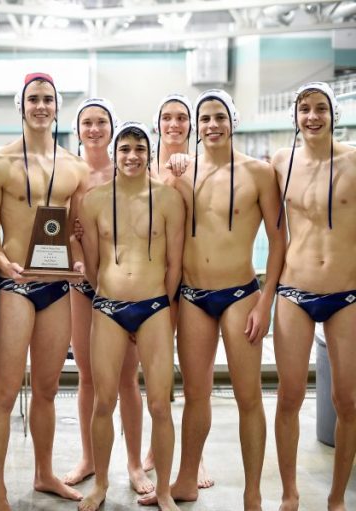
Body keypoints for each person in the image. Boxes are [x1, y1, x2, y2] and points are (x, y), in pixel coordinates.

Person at [147, 89, 285, 510]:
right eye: (204, 118)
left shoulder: (258, 173)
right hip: (192, 296)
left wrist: (265, 303)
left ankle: (253, 493)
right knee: (195, 394)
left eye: (218, 118)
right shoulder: (182, 172)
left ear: (233, 121)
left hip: (241, 294)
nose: (211, 125)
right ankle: (185, 480)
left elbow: (279, 243)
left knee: (248, 397)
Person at [0, 72, 88, 511]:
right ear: (21, 107)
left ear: (56, 107)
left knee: (45, 389)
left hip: (56, 287)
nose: (41, 106)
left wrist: (77, 260)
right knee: (4, 391)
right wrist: (4, 262)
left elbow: (74, 231)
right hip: (15, 286)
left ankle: (44, 473)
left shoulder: (73, 166)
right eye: (33, 99)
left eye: (48, 99)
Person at [77, 121, 184, 511]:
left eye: (140, 148)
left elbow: (174, 264)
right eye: (125, 149)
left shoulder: (169, 200)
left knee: (160, 404)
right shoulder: (93, 200)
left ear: (148, 152)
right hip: (107, 307)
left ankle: (166, 490)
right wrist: (110, 291)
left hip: (154, 306)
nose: (133, 156)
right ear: (115, 153)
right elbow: (90, 266)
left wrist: (162, 307)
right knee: (103, 402)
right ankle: (101, 484)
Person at [63, 98, 155, 495]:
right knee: (87, 376)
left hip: (125, 288)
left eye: (102, 122)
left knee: (127, 379)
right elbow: (62, 227)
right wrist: (77, 261)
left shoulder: (131, 167)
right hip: (83, 287)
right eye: (87, 122)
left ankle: (134, 463)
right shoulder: (70, 172)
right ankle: (89, 457)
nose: (95, 129)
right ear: (78, 128)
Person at [272, 82, 356, 511]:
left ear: (333, 113)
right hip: (293, 291)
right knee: (289, 397)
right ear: (295, 115)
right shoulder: (281, 163)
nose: (312, 116)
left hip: (346, 295)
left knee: (348, 401)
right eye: (304, 108)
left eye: (320, 108)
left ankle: (338, 497)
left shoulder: (355, 161)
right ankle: (289, 493)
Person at [146, 93, 213, 489]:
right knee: (155, 376)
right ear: (158, 124)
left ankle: (195, 457)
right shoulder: (141, 166)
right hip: (155, 283)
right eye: (167, 117)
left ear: (192, 126)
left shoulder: (205, 167)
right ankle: (155, 449)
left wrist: (191, 169)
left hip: (192, 284)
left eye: (182, 118)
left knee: (195, 380)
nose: (174, 124)